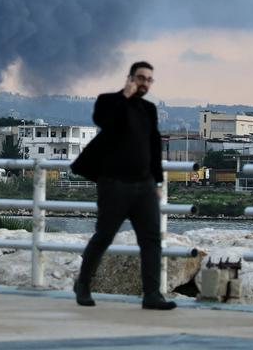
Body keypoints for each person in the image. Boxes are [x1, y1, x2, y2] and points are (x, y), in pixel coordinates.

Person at [72, 61, 176, 310]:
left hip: (145, 186)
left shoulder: (149, 109)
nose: (145, 83)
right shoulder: (108, 101)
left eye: (149, 79)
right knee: (104, 236)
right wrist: (125, 96)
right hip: (115, 184)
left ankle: (152, 295)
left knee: (151, 240)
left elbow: (154, 145)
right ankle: (83, 284)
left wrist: (158, 182)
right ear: (130, 78)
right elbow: (105, 122)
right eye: (141, 78)